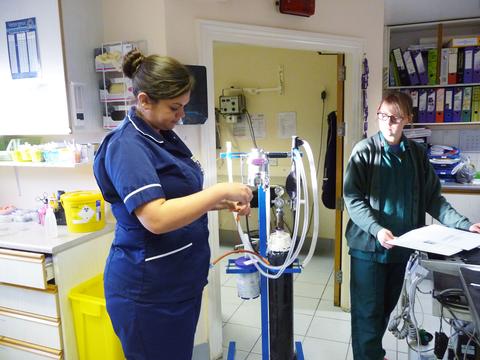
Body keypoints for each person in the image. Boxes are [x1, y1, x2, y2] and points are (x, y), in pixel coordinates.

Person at [93, 49, 253, 360]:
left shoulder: (161, 135)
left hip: (177, 283)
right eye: (174, 108)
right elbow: (156, 218)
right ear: (143, 101)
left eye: (183, 107)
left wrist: (222, 203)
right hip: (148, 292)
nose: (181, 115)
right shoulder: (127, 146)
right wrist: (219, 190)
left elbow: (177, 199)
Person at [343, 91, 480, 360]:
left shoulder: (416, 155)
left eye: (395, 118)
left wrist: (466, 225)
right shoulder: (364, 152)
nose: (388, 123)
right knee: (367, 315)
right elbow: (352, 199)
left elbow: (433, 200)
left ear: (408, 119)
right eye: (383, 116)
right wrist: (376, 229)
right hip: (368, 250)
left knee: (384, 310)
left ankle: (373, 353)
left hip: (401, 249)